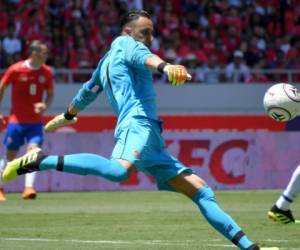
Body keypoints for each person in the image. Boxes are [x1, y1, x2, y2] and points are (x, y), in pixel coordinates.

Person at [2, 10, 277, 250]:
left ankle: (249, 247)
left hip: (151, 138)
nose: (149, 38)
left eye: (151, 33)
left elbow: (88, 91)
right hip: (137, 124)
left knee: (202, 192)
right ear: (127, 31)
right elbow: (144, 55)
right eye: (144, 32)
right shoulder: (126, 43)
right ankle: (40, 160)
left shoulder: (105, 62)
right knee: (119, 171)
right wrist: (166, 67)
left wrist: (68, 114)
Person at [0, 40, 54, 201]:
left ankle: (29, 188)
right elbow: (1, 88)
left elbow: (50, 94)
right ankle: (1, 188)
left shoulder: (47, 72)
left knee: (34, 152)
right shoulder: (16, 69)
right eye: (44, 52)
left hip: (35, 123)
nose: (47, 56)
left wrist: (44, 104)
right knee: (10, 156)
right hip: (16, 121)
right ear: (34, 53)